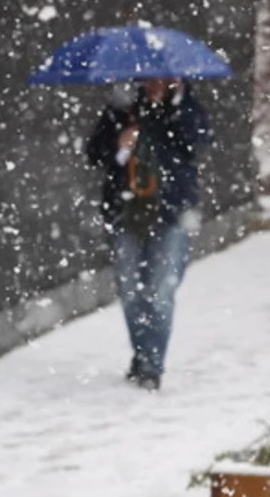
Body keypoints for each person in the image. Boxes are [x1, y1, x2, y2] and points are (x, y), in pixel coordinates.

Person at [84, 78, 211, 390]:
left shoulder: (187, 108)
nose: (156, 84)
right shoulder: (124, 110)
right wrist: (119, 145)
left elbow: (197, 142)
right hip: (126, 213)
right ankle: (143, 355)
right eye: (150, 78)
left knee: (160, 291)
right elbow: (94, 153)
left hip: (171, 214)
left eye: (163, 78)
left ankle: (151, 366)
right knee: (130, 292)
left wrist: (176, 106)